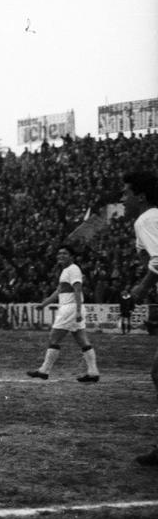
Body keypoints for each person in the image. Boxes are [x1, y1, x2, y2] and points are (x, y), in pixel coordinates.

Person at [121, 171, 158, 466]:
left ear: (141, 197)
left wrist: (137, 293)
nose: (122, 199)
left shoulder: (146, 219)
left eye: (126, 193)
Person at [26, 245, 100, 383]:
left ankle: (44, 370)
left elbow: (78, 290)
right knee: (82, 340)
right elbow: (59, 291)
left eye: (64, 253)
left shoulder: (73, 269)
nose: (61, 256)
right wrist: (44, 304)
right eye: (59, 253)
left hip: (70, 308)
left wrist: (77, 310)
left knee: (54, 337)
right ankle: (93, 372)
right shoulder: (66, 271)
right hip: (71, 308)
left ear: (71, 256)